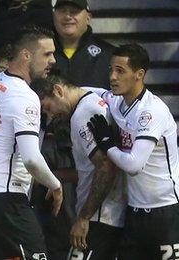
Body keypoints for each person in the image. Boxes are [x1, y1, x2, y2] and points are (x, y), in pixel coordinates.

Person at [0, 25, 63, 259]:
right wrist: (56, 185)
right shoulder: (25, 97)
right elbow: (30, 158)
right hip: (7, 198)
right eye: (47, 54)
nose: (53, 60)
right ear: (26, 55)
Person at [86, 44, 179, 260]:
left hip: (165, 209)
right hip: (135, 210)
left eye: (120, 71)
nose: (112, 76)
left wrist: (107, 144)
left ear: (139, 74)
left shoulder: (151, 111)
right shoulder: (117, 101)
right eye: (111, 69)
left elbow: (134, 165)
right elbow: (90, 91)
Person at [31, 75, 126, 259]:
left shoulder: (82, 113)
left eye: (48, 108)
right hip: (108, 213)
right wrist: (58, 177)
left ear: (59, 90)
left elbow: (106, 168)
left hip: (98, 217)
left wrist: (83, 218)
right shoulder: (93, 96)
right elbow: (91, 168)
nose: (50, 116)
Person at [52, 0, 114, 89]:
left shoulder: (109, 54)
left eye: (74, 11)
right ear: (54, 16)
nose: (67, 16)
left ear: (88, 18)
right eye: (62, 11)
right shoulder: (40, 52)